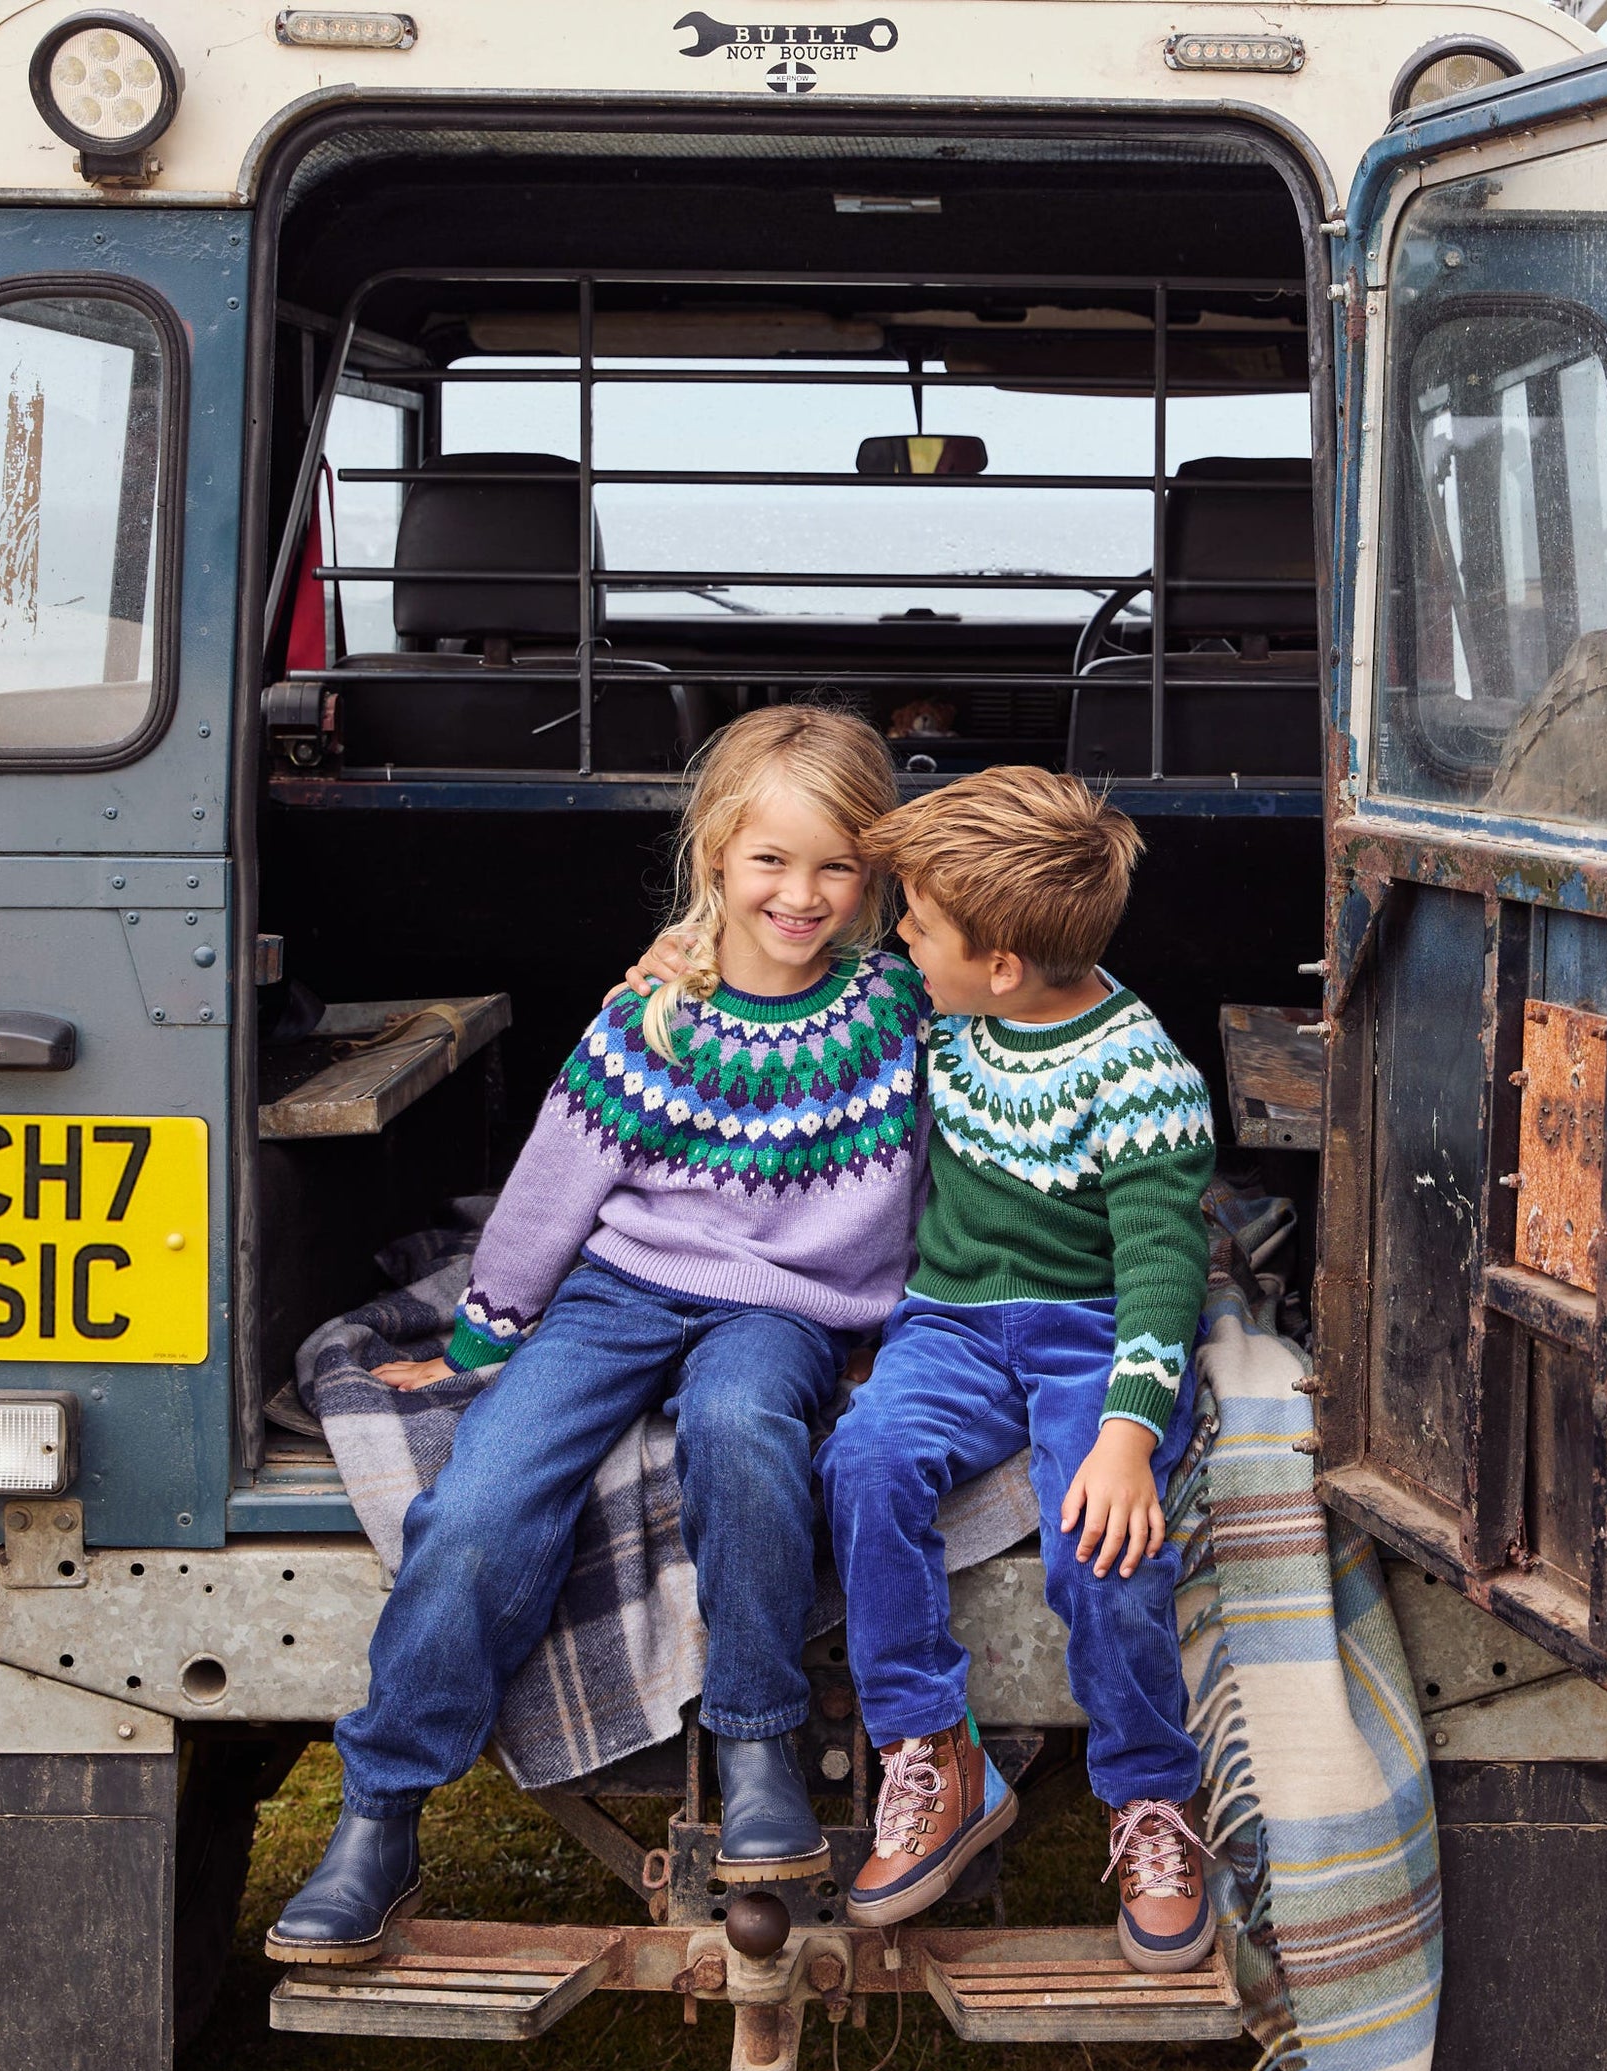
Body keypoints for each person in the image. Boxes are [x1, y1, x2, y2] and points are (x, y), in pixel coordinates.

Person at [267, 706, 923, 1964]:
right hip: (620, 1290)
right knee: (479, 1501)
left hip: (783, 1308)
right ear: (716, 857)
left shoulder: (896, 1004)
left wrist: (903, 1330)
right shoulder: (653, 1014)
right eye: (770, 861)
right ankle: (381, 1808)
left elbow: (962, 1127)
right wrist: (478, 1339)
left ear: (873, 872)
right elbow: (552, 1186)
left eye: (835, 864)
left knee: (740, 1424)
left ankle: (756, 1739)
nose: (800, 894)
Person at [818, 767, 1219, 1973]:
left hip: (1089, 1330)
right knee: (865, 1458)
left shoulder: (1141, 1079)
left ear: (1000, 964)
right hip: (948, 1320)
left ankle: (1150, 1800)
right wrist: (672, 965)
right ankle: (930, 1751)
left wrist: (1127, 1435)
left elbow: (1161, 1271)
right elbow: (795, 979)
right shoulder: (937, 999)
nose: (896, 940)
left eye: (918, 925)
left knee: (1099, 1543)